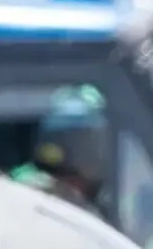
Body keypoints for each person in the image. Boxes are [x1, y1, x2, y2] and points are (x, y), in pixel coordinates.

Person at [9, 84, 109, 215]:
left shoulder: (116, 193)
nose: (75, 150)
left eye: (84, 140)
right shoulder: (24, 185)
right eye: (66, 138)